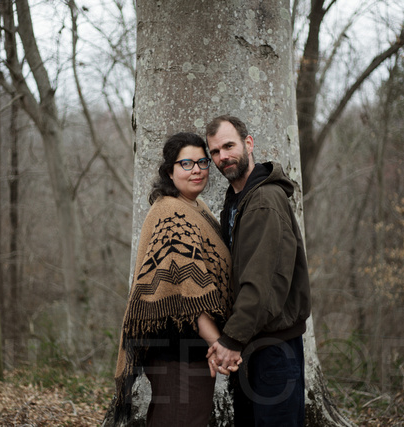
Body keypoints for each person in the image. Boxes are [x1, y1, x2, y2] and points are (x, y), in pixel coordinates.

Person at [111, 132, 237, 427]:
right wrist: (218, 345)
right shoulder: (171, 212)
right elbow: (190, 291)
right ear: (170, 171)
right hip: (177, 353)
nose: (197, 169)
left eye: (202, 162)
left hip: (187, 351)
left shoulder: (196, 207)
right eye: (186, 163)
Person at [205, 115, 312, 426]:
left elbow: (261, 286)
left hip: (273, 349)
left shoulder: (264, 201)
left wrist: (230, 341)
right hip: (253, 344)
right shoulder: (238, 201)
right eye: (215, 152)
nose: (222, 157)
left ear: (248, 144)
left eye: (229, 146)